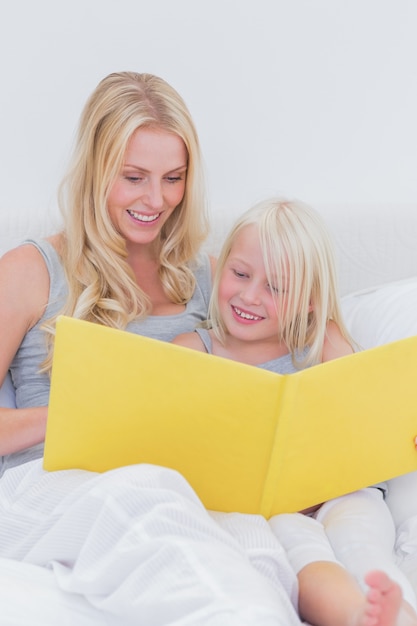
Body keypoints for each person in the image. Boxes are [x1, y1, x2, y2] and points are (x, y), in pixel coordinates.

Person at [0, 72, 306, 625]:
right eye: (134, 177)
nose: (156, 200)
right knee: (148, 497)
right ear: (96, 170)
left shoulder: (208, 278)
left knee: (258, 545)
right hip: (50, 486)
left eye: (174, 178)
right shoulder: (29, 272)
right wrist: (81, 418)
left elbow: (301, 331)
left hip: (184, 486)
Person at [173, 197, 417, 626]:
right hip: (270, 510)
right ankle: (356, 614)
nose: (250, 296)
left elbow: (368, 404)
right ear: (221, 267)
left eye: (277, 287)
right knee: (303, 556)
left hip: (345, 491)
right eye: (240, 274)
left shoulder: (319, 342)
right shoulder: (193, 352)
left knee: (363, 545)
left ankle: (395, 612)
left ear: (309, 300)